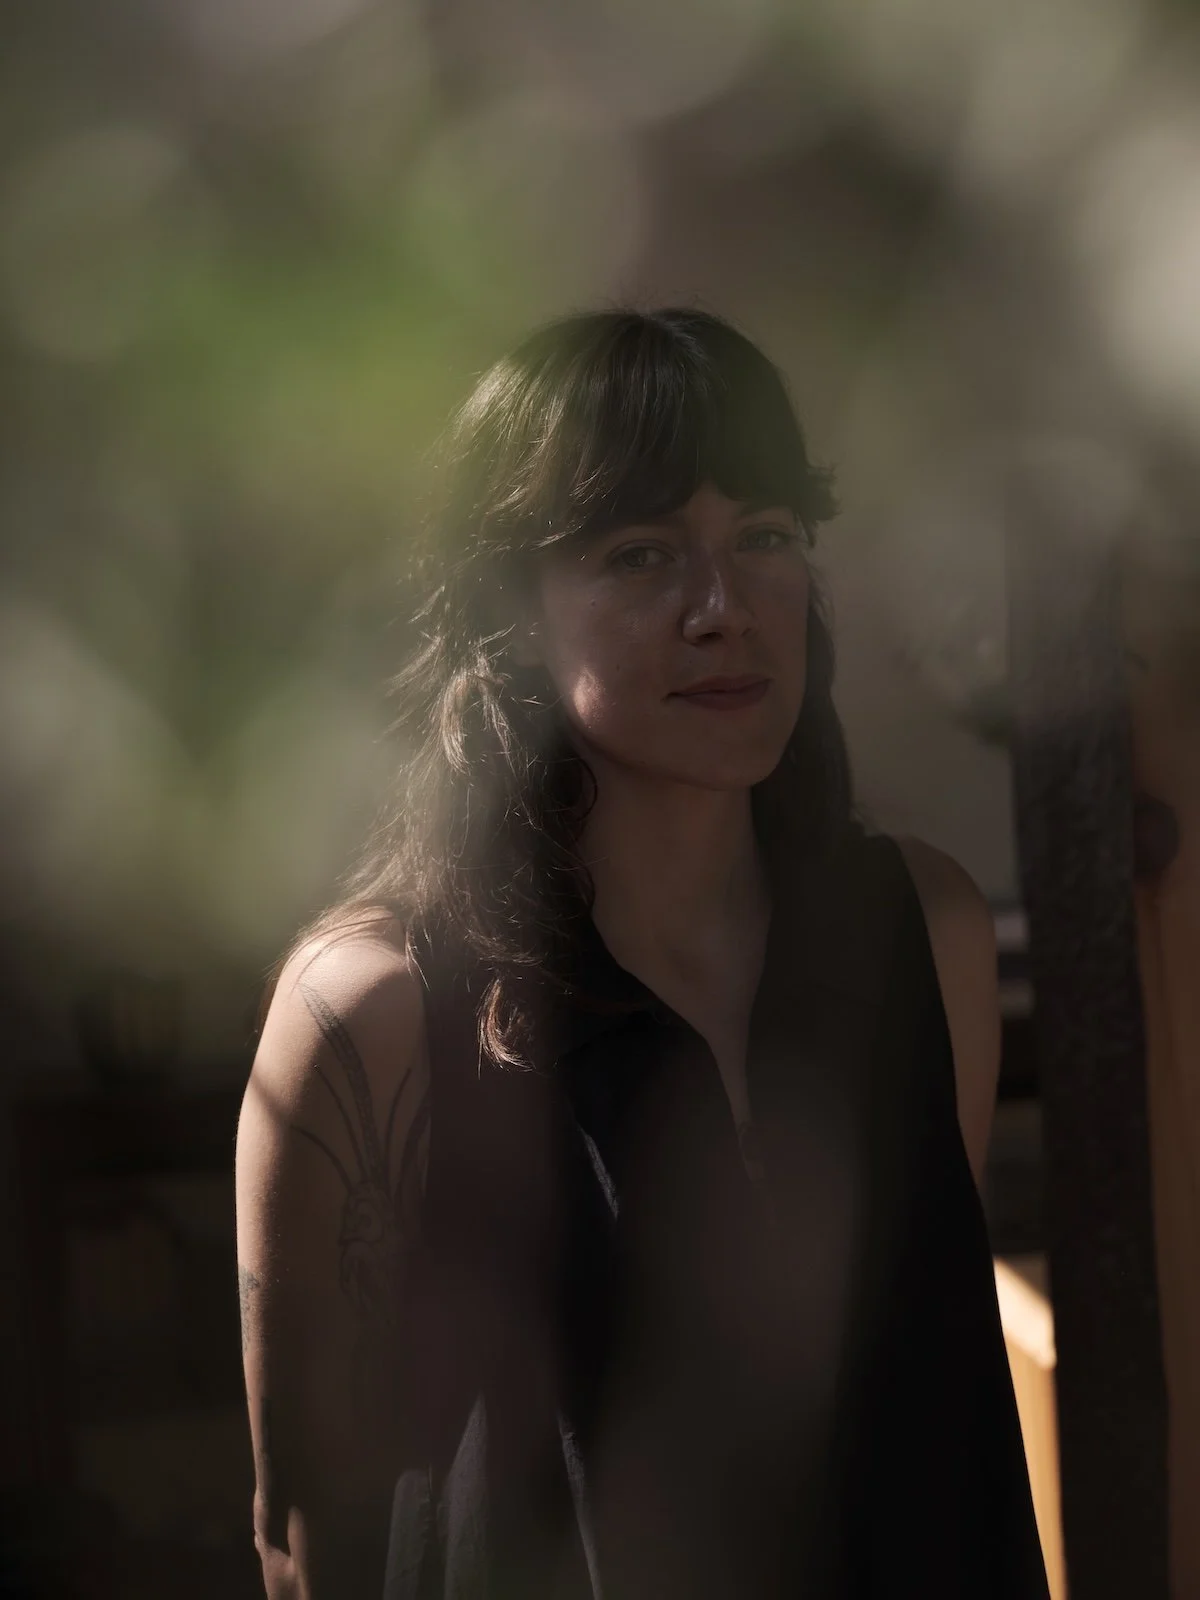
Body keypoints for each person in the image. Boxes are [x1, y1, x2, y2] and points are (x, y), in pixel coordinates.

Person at [235, 306, 1049, 1598]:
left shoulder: (923, 936)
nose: (725, 608)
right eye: (641, 553)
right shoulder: (379, 1006)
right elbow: (305, 1539)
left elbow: (933, 1429)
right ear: (509, 608)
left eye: (768, 539)